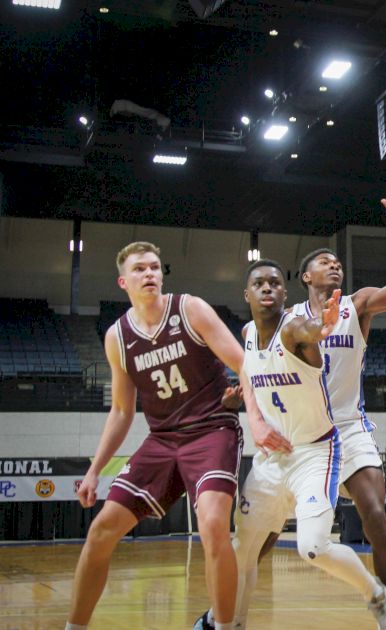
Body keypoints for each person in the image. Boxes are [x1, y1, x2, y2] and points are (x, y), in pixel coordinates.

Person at [195, 171, 386, 630]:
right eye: (323, 261)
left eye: (337, 261)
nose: (333, 265)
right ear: (303, 278)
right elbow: (257, 366)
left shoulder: (357, 305)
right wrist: (246, 399)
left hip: (346, 429)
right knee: (256, 544)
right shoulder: (286, 319)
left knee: (375, 516)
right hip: (295, 435)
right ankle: (226, 613)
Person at [68, 242, 268, 630]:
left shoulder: (189, 308)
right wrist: (94, 470)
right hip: (161, 441)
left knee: (212, 524)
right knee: (100, 530)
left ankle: (224, 626)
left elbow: (243, 362)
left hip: (211, 429)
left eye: (155, 268)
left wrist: (256, 420)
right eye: (140, 269)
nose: (150, 274)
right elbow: (123, 411)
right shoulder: (117, 337)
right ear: (123, 281)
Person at [230, 260, 386, 626]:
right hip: (274, 453)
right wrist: (253, 417)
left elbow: (310, 329)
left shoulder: (296, 327)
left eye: (274, 283)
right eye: (258, 283)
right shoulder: (246, 334)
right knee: (243, 550)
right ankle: (225, 619)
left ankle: (381, 600)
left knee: (315, 546)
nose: (266, 288)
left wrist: (324, 324)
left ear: (285, 292)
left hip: (319, 445)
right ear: (246, 294)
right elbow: (245, 372)